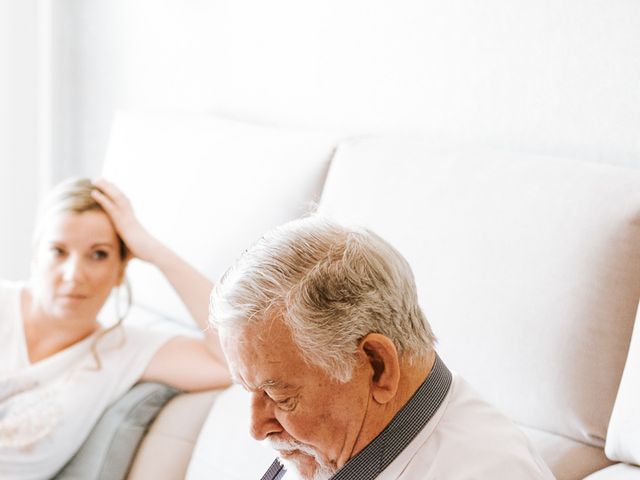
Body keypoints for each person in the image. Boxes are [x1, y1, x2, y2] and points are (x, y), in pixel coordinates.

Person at [209, 216, 555, 480]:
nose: (256, 428)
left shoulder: (488, 471)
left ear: (377, 366)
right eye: (250, 391)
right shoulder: (335, 447)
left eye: (280, 397)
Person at [0, 178, 230, 480]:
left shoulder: (123, 350)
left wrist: (153, 250)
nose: (74, 275)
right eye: (58, 251)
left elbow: (233, 355)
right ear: (35, 256)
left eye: (99, 254)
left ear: (121, 269)